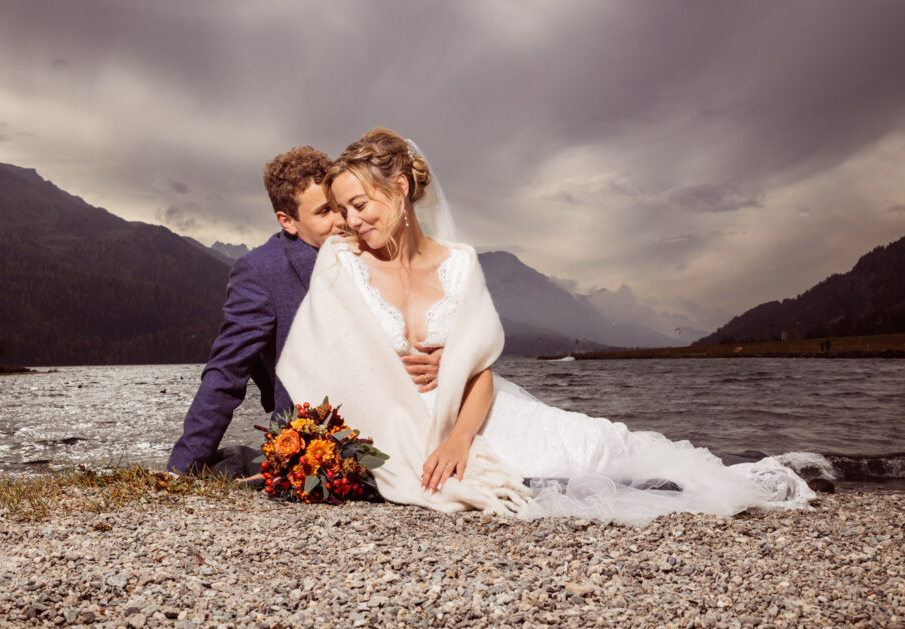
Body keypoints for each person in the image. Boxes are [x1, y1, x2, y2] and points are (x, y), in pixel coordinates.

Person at [276, 128, 825, 524]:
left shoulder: (460, 261)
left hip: (478, 412)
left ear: (399, 187)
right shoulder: (343, 263)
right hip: (401, 425)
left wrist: (460, 432)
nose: (350, 221)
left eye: (359, 204)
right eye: (342, 210)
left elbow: (481, 370)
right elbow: (322, 363)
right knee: (538, 482)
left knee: (597, 449)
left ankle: (744, 479)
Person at [168, 146, 442, 477]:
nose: (343, 221)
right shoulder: (261, 272)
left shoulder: (372, 247)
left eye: (341, 207)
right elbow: (226, 372)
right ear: (288, 221)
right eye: (325, 211)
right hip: (321, 445)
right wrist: (180, 469)